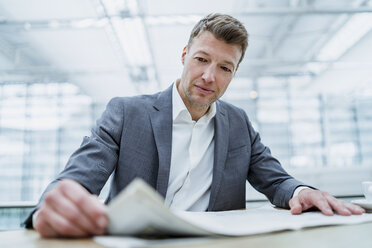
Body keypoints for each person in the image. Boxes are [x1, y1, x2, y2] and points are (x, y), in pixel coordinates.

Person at [24, 13, 365, 238]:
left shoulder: (238, 124)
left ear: (234, 73)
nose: (208, 76)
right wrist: (54, 206)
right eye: (202, 59)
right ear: (184, 55)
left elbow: (276, 181)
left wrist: (303, 192)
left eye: (224, 68)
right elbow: (75, 181)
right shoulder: (127, 113)